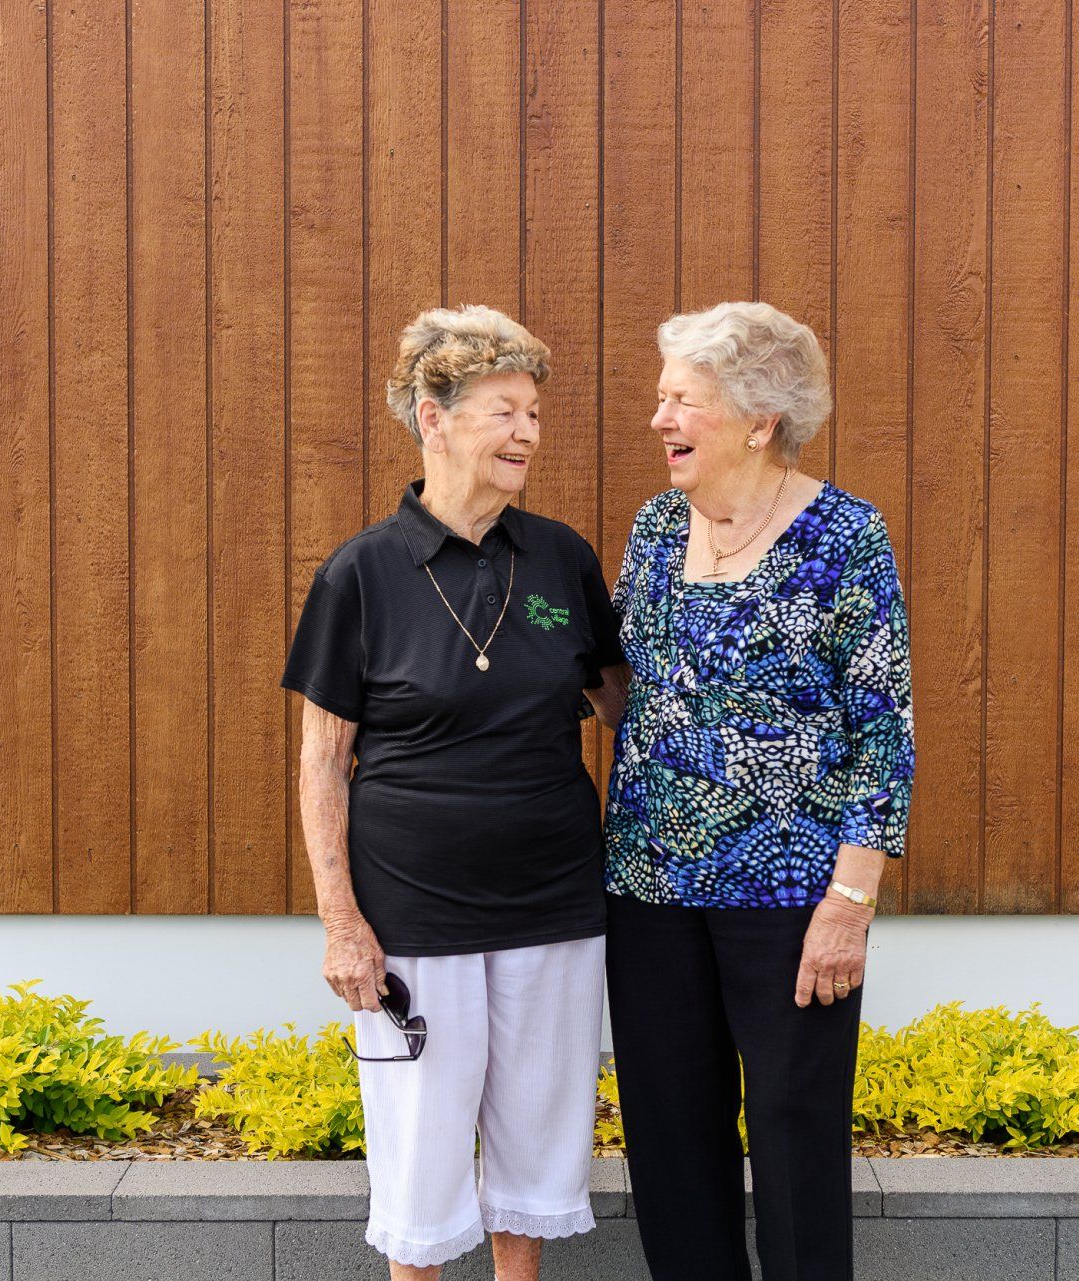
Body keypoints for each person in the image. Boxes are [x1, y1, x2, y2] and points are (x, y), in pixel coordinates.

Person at [283, 304, 629, 1280]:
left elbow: (623, 706)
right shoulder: (359, 575)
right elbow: (320, 761)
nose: (527, 433)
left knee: (535, 1147)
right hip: (411, 913)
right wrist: (340, 920)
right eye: (502, 411)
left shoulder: (560, 557)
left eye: (534, 414)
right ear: (433, 419)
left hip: (555, 902)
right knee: (423, 1164)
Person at [603, 300, 915, 1280]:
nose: (659, 420)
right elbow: (624, 689)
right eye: (660, 399)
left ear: (757, 419)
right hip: (648, 890)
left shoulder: (843, 536)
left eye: (681, 401)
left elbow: (884, 729)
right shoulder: (656, 527)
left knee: (793, 1138)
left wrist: (851, 902)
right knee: (670, 1141)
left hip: (790, 901)